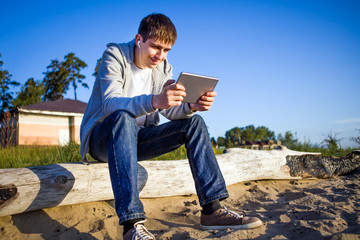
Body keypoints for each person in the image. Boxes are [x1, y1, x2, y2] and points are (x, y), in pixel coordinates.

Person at [80, 13, 262, 240]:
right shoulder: (115, 55)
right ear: (139, 39)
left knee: (194, 123)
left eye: (166, 50)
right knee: (123, 117)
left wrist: (190, 106)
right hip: (104, 140)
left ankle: (213, 210)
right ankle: (132, 225)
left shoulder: (162, 67)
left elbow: (167, 110)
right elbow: (110, 104)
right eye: (155, 47)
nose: (160, 56)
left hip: (137, 139)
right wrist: (155, 100)